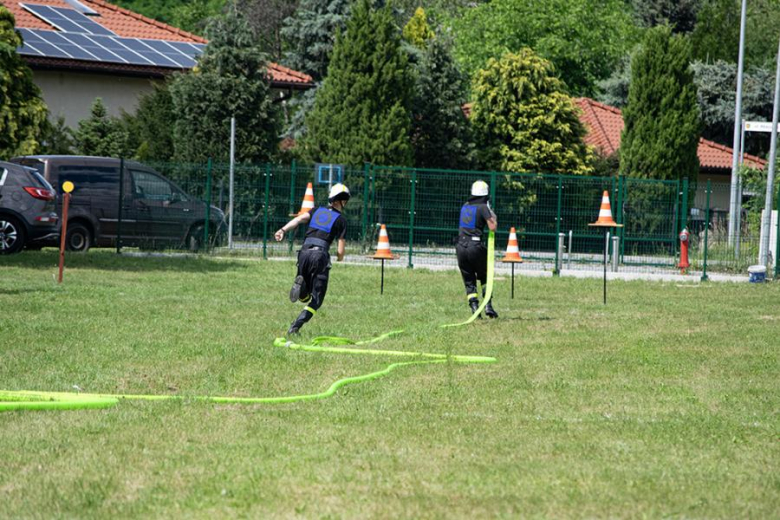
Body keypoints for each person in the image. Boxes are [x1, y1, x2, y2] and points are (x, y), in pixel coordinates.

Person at [274, 183, 350, 335]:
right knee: (316, 299)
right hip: (319, 256)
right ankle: (295, 327)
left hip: (303, 252)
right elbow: (340, 252)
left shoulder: (316, 210)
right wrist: (340, 257)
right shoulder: (341, 220)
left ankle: (302, 287)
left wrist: (282, 230)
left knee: (304, 296)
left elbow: (299, 220)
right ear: (342, 201)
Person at [456, 180, 498, 318]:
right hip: (475, 247)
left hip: (460, 247)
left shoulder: (465, 206)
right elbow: (492, 227)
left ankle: (474, 307)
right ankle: (488, 305)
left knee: (469, 279)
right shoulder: (483, 207)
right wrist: (492, 215)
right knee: (485, 275)